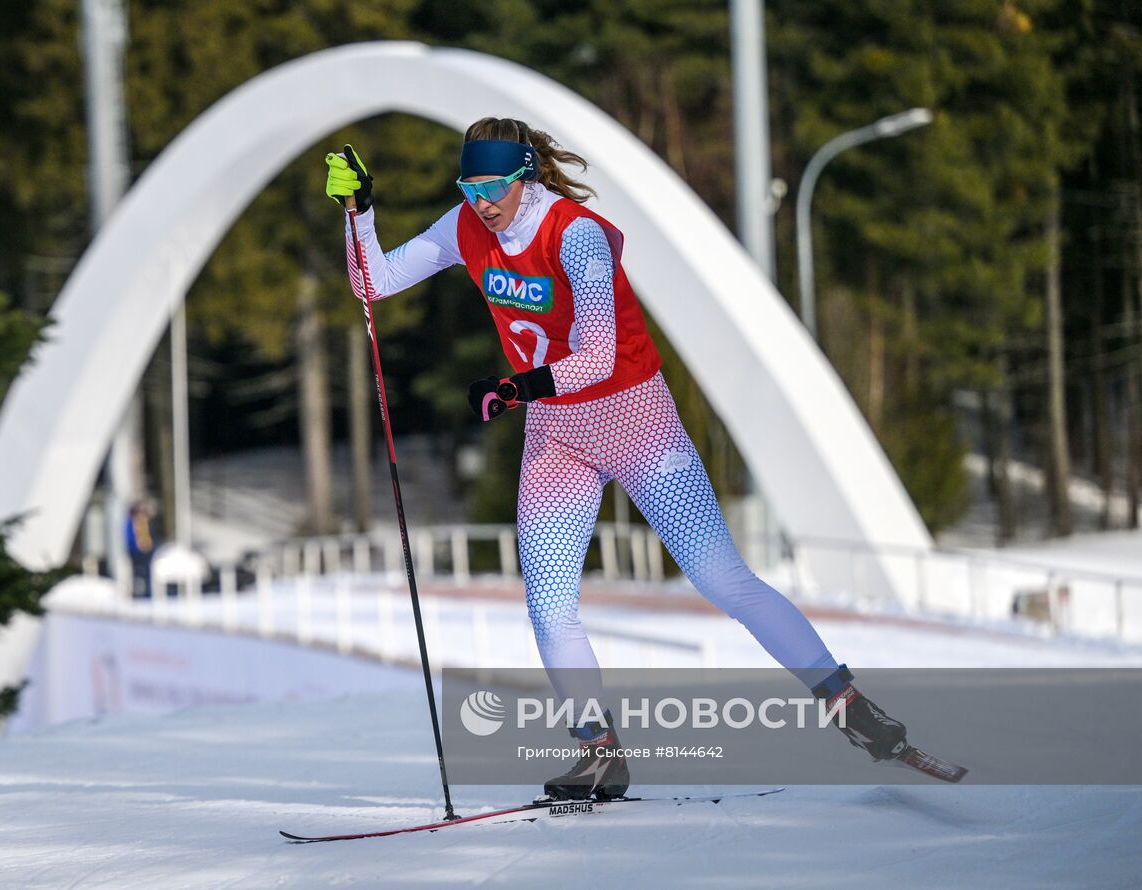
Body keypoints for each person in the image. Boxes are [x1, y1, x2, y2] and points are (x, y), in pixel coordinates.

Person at [323, 118, 909, 802]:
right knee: (548, 608)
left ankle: (848, 704)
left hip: (636, 417)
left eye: (495, 186)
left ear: (526, 176)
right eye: (471, 186)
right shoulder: (466, 227)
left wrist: (516, 385)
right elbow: (374, 283)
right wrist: (360, 214)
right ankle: (599, 753)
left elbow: (598, 354)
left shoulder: (577, 235)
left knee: (724, 581)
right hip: (556, 434)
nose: (483, 202)